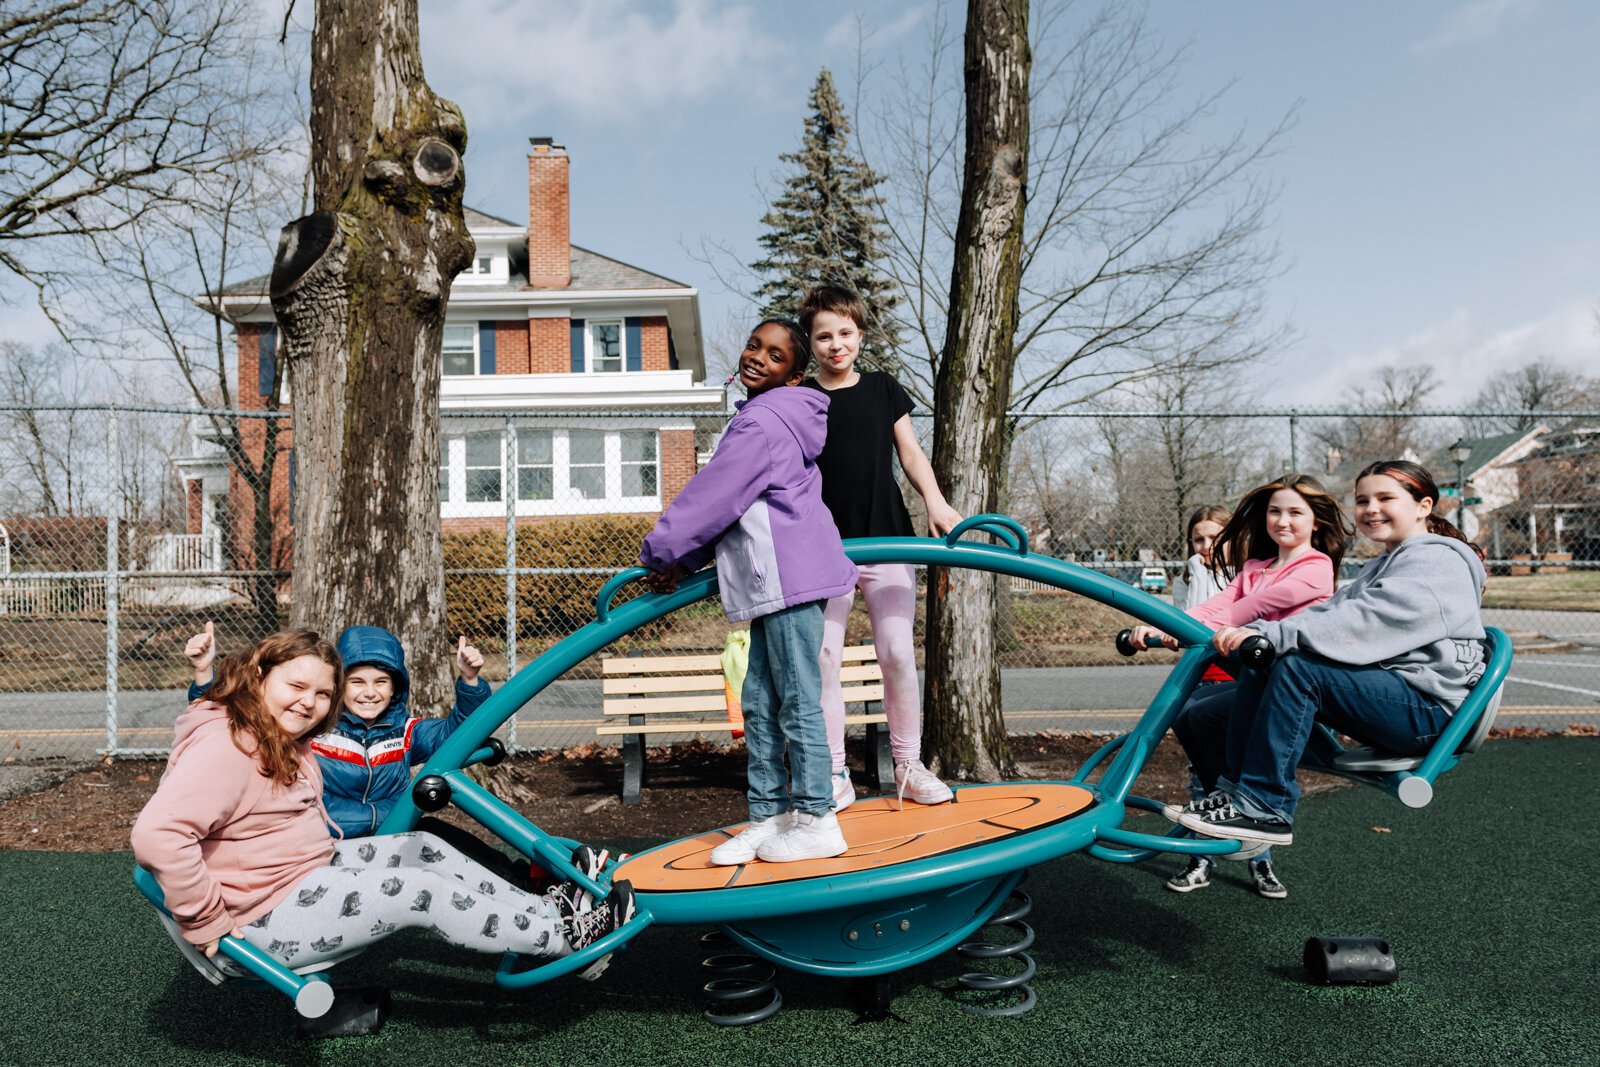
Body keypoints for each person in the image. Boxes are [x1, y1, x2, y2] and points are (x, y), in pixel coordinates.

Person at [132, 630, 634, 978]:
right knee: (418, 890)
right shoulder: (228, 744)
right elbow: (158, 835)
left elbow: (453, 734)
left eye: (322, 693)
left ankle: (547, 910)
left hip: (304, 872)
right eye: (296, 686)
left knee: (422, 845)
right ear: (259, 676)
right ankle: (567, 940)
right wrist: (205, 920)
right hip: (260, 918)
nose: (309, 702)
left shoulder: (276, 735)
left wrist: (471, 685)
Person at [1171, 461, 1490, 849]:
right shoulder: (1385, 564)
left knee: (1298, 666)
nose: (1371, 508)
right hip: (1394, 694)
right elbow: (1332, 612)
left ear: (1423, 505)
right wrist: (1261, 635)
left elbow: (1366, 621)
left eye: (1385, 498)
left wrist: (1270, 633)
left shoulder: (1439, 561)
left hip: (1428, 711)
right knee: (1215, 703)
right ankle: (1233, 792)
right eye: (1362, 500)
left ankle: (1264, 805)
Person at [639, 318, 858, 865]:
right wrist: (684, 559)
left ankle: (816, 817)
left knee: (796, 698)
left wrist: (663, 551)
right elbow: (738, 511)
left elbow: (713, 498)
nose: (758, 356)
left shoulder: (763, 422)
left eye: (776, 355)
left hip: (789, 575)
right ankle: (769, 814)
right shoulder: (765, 417)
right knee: (760, 701)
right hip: (773, 578)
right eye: (755, 345)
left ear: (793, 376)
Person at [1129, 475, 1351, 898]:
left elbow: (1250, 608)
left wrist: (1190, 628)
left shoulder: (1316, 568)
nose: (1282, 520)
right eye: (1274, 511)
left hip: (1291, 690)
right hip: (1254, 681)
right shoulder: (1254, 567)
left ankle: (1246, 809)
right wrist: (1161, 625)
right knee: (1189, 712)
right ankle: (1223, 796)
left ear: (1317, 522)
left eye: (1294, 513)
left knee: (1211, 716)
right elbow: (1218, 604)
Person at [799, 284, 962, 811]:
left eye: (845, 333)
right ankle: (834, 773)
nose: (835, 344)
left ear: (860, 336)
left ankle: (908, 767)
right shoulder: (801, 396)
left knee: (894, 651)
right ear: (811, 341)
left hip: (885, 536)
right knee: (824, 655)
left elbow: (910, 453)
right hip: (824, 547)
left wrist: (936, 503)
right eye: (824, 335)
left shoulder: (883, 389)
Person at [1169, 504, 1232, 613]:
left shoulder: (1248, 574)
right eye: (1199, 540)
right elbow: (1189, 623)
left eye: (1215, 538)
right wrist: (1198, 575)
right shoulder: (1183, 582)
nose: (1207, 546)